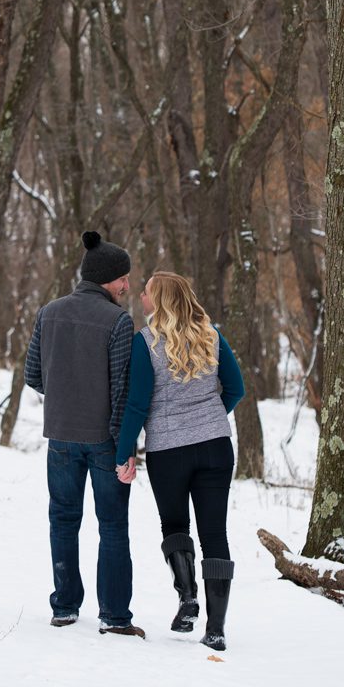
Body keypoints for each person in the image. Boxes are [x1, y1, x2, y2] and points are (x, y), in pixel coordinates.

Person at [24, 231, 145, 638]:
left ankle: (65, 607)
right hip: (103, 439)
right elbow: (120, 389)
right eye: (123, 278)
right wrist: (122, 447)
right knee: (111, 525)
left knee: (63, 519)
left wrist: (64, 398)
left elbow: (32, 376)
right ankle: (114, 615)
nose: (128, 285)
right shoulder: (118, 321)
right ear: (108, 279)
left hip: (60, 435)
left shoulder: (49, 312)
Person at [115, 271, 244, 650]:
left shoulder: (147, 342)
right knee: (214, 533)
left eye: (148, 291)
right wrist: (210, 418)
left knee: (174, 524)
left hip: (169, 450)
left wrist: (125, 452)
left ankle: (188, 599)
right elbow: (236, 388)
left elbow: (137, 404)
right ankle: (216, 629)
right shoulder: (212, 335)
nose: (141, 295)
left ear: (163, 299)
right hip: (215, 446)